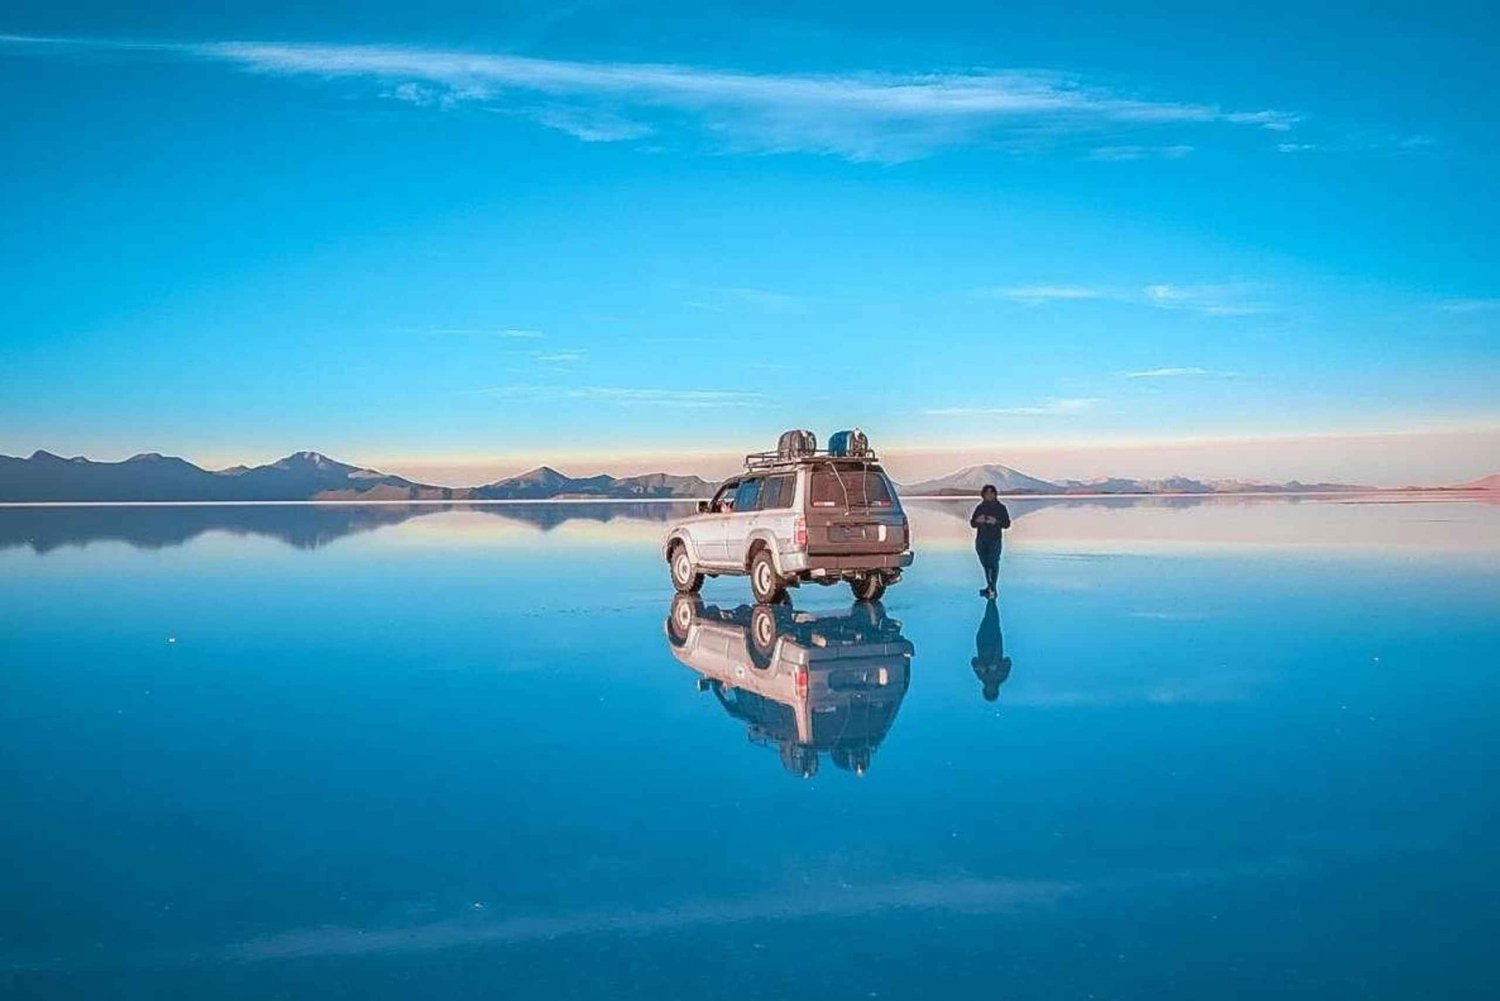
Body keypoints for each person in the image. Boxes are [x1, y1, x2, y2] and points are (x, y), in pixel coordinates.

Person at [969, 484, 1011, 598]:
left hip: (995, 540)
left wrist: (996, 521)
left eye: (991, 493)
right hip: (981, 540)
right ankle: (990, 586)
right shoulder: (980, 507)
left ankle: (992, 587)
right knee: (985, 563)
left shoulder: (1001, 508)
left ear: (995, 494)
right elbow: (972, 523)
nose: (989, 495)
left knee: (993, 562)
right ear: (983, 495)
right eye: (987, 493)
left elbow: (1007, 524)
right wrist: (978, 520)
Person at [971, 598, 1012, 702]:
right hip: (994, 642)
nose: (991, 689)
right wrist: (997, 665)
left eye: (989, 692)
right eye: (992, 692)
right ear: (996, 691)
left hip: (982, 642)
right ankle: (992, 597)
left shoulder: (981, 677)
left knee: (987, 618)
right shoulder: (1001, 676)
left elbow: (973, 661)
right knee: (992, 618)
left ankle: (991, 597)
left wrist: (980, 666)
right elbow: (1008, 661)